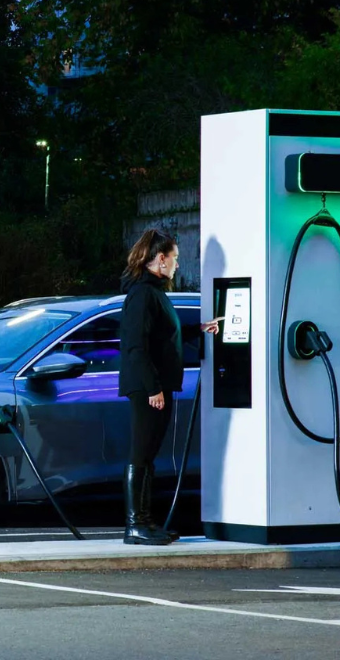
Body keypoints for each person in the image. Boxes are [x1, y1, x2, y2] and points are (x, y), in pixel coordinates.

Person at [118, 229, 220, 545]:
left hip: (156, 384)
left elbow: (162, 335)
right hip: (148, 387)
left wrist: (198, 329)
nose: (177, 264)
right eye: (175, 258)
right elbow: (136, 346)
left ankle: (145, 523)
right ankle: (136, 524)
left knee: (148, 454)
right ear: (160, 259)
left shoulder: (153, 292)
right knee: (142, 453)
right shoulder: (142, 294)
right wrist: (152, 388)